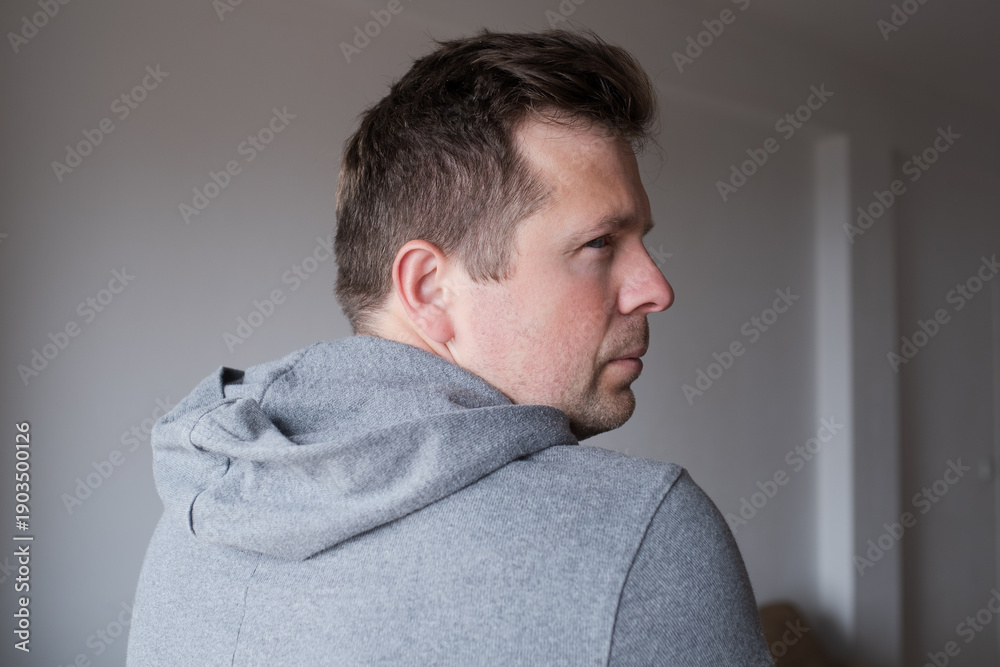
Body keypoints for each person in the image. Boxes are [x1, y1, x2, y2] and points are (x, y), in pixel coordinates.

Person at [127, 27, 773, 665]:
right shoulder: (644, 533)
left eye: (642, 241)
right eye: (600, 243)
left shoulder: (202, 508)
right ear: (431, 290)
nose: (656, 287)